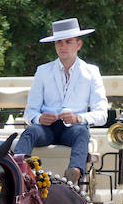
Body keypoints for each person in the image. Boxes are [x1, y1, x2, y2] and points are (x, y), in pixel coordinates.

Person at [13, 18, 108, 184]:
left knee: (81, 132)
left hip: (73, 129)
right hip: (46, 129)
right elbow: (30, 112)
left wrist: (79, 118)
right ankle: (16, 169)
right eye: (59, 42)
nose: (62, 46)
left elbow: (102, 114)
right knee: (30, 131)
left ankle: (75, 171)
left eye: (68, 42)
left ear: (78, 45)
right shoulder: (43, 71)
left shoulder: (91, 72)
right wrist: (39, 118)